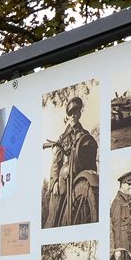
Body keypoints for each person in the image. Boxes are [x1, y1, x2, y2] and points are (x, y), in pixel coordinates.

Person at [45, 96, 98, 228]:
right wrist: (54, 182)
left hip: (80, 175)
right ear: (68, 117)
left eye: (76, 112)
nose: (73, 115)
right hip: (65, 178)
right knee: (54, 213)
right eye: (70, 113)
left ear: (79, 113)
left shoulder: (86, 135)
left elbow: (90, 157)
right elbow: (56, 162)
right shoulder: (63, 138)